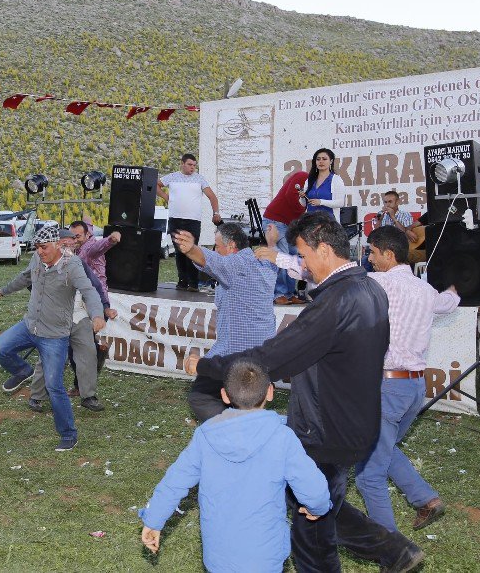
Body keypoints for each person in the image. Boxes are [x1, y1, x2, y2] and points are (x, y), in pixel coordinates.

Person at [188, 213, 424, 573]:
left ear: (325, 249)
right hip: (354, 421)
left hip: (325, 430)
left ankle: (392, 550)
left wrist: (206, 366)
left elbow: (270, 359)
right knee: (312, 496)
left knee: (312, 536)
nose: (301, 265)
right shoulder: (370, 288)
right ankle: (394, 550)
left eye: (303, 255)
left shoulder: (336, 302)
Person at [140, 360, 332, 572]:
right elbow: (313, 488)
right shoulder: (283, 437)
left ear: (224, 395)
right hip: (265, 557)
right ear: (270, 392)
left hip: (218, 556)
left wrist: (154, 520)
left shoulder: (205, 435)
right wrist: (318, 507)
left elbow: (175, 481)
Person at [356, 226, 459, 533]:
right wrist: (455, 289)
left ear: (388, 254)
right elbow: (449, 301)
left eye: (372, 252)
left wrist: (281, 257)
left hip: (388, 387)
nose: (369, 258)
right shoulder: (425, 291)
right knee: (384, 448)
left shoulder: (377, 283)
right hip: (415, 388)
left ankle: (392, 549)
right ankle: (425, 499)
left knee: (368, 474)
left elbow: (332, 276)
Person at [0, 225, 106, 451]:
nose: (40, 252)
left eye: (44, 247)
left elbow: (89, 291)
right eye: (37, 248)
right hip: (30, 325)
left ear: (58, 245)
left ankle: (69, 434)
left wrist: (97, 314)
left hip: (54, 336)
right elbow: (24, 278)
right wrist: (1, 291)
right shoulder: (37, 261)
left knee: (54, 386)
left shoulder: (72, 266)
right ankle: (23, 371)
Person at [172, 223, 279, 422]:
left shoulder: (234, 266)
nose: (215, 250)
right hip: (264, 354)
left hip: (235, 355)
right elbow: (273, 254)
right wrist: (272, 241)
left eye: (217, 246)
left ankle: (230, 430)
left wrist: (191, 249)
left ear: (231, 247)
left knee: (200, 396)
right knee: (244, 403)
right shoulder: (266, 262)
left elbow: (209, 260)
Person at [27, 228, 117, 412]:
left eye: (72, 241)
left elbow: (95, 288)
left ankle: (88, 396)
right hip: (54, 318)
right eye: (65, 242)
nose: (70, 244)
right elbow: (30, 282)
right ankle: (37, 396)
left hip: (79, 317)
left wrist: (103, 309)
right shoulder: (43, 263)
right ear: (56, 244)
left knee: (88, 354)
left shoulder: (78, 264)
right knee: (48, 357)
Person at [156, 153, 222, 291]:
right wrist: (167, 197)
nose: (192, 168)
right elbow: (156, 185)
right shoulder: (173, 176)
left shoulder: (199, 179)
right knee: (179, 251)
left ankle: (193, 283)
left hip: (193, 220)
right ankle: (182, 281)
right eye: (190, 165)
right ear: (182, 163)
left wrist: (216, 213)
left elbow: (212, 197)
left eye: (194, 165)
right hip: (175, 219)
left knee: (192, 249)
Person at [262, 166, 309, 305]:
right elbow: (290, 196)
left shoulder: (312, 190)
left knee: (294, 257)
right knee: (282, 256)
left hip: (289, 225)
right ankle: (279, 294)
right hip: (275, 221)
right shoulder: (303, 176)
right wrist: (303, 209)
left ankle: (289, 293)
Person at [371, 189, 424, 265]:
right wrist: (379, 221)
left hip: (400, 249)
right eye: (385, 202)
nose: (387, 205)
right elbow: (376, 235)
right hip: (385, 249)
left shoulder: (405, 215)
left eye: (390, 202)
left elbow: (405, 234)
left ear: (397, 202)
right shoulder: (381, 215)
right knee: (366, 260)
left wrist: (393, 217)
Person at [303, 148, 346, 218]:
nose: (321, 161)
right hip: (310, 222)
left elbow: (341, 203)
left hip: (329, 223)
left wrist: (321, 202)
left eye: (324, 159)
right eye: (318, 159)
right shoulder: (310, 180)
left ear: (331, 161)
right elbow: (303, 204)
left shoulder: (336, 179)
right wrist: (302, 197)